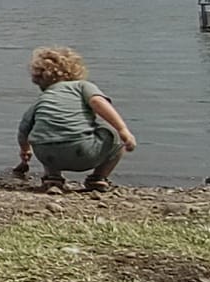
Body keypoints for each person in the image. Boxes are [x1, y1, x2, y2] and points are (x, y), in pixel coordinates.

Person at [14, 46, 136, 191]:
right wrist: (122, 129)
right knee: (113, 135)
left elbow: (24, 129)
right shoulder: (81, 86)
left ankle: (53, 177)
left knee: (46, 132)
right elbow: (97, 101)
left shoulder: (42, 99)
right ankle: (98, 178)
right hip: (82, 151)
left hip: (47, 155)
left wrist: (25, 150)